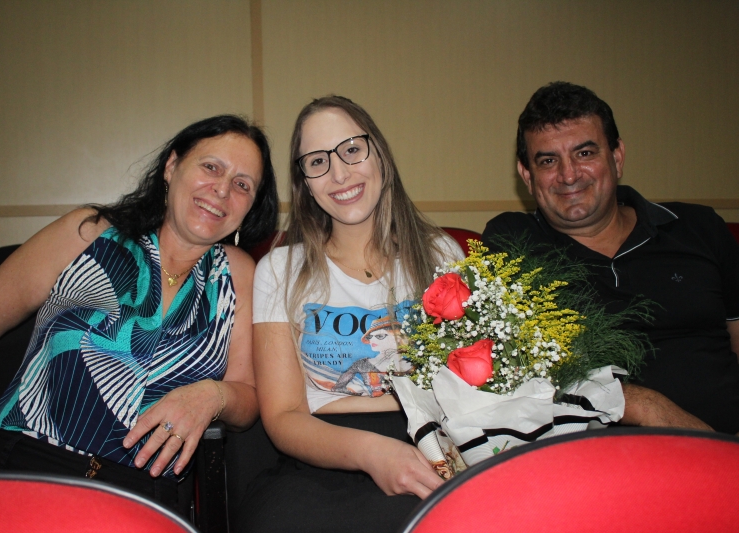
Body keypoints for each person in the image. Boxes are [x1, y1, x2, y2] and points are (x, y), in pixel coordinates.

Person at [0, 115, 278, 513]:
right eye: (211, 167)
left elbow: (248, 395)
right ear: (172, 167)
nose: (222, 189)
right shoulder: (88, 233)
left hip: (141, 494)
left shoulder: (239, 274)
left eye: (242, 184)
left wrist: (213, 395)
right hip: (25, 469)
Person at [244, 96, 463, 533]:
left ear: (379, 154)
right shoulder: (279, 270)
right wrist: (374, 453)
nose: (339, 174)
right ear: (305, 183)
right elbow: (284, 416)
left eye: (351, 149)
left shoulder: (441, 254)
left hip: (434, 439)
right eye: (317, 161)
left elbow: (470, 384)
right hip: (323, 452)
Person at [483, 81, 739, 434]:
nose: (569, 175)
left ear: (617, 157)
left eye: (585, 153)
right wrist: (644, 406)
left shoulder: (698, 227)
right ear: (527, 175)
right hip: (602, 455)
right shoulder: (513, 243)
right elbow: (520, 375)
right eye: (548, 161)